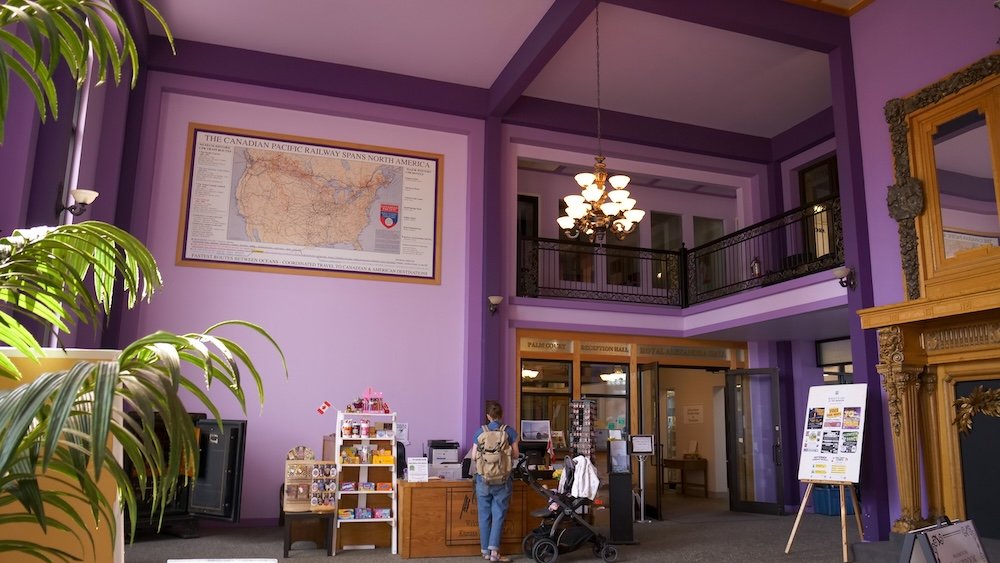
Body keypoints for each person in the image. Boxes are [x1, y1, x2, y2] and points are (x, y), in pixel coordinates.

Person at [473, 400, 519, 562]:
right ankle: (494, 553)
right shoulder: (509, 432)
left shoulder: (480, 432)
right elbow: (515, 455)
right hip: (502, 480)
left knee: (484, 515)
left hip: (483, 480)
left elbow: (473, 456)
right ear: (501, 415)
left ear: (488, 416)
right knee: (498, 515)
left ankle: (485, 551)